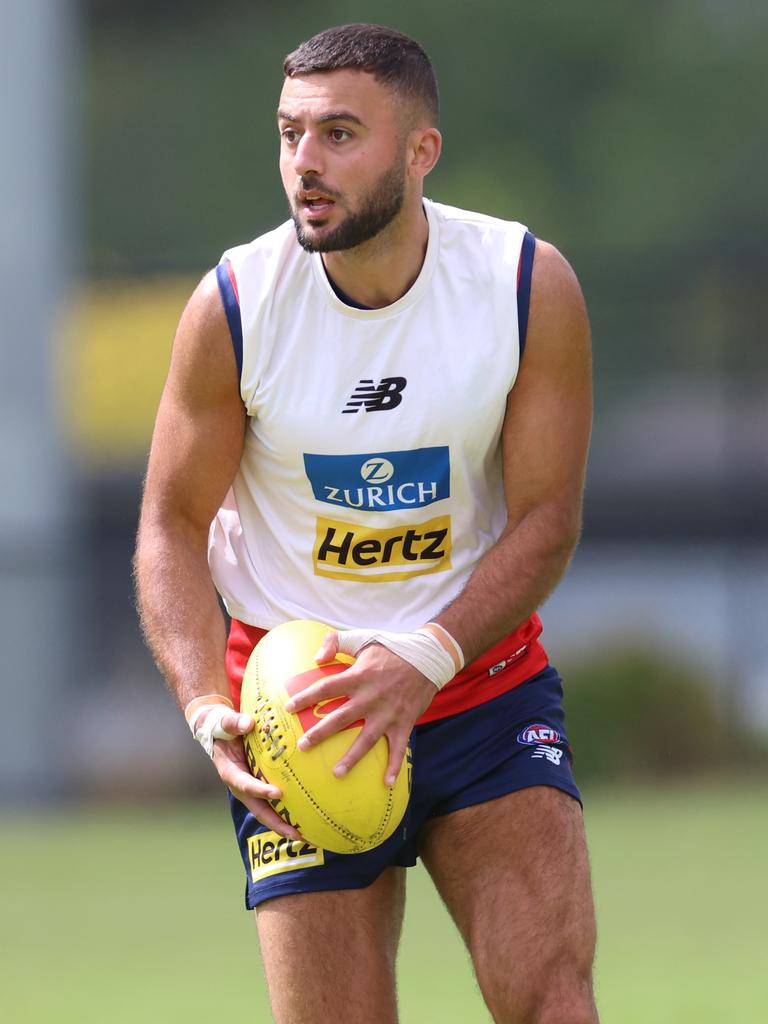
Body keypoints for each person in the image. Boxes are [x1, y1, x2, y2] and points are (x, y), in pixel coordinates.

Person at [135, 22, 597, 1024]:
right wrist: (206, 702)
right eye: (290, 133)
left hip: (477, 689)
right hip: (299, 713)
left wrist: (423, 657)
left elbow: (548, 521)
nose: (305, 163)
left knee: (555, 1004)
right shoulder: (237, 306)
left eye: (340, 134)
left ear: (421, 151)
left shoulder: (524, 286)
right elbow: (169, 524)